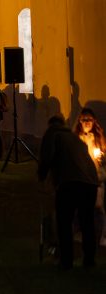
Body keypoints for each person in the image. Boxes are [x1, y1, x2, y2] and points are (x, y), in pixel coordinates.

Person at [38, 115, 99, 269]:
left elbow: (47, 157)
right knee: (87, 222)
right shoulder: (74, 137)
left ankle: (66, 260)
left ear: (51, 124)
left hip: (69, 182)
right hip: (90, 182)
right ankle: (89, 260)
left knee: (64, 221)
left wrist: (42, 175)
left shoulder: (53, 134)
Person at [74, 108, 106, 246]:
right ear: (80, 121)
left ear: (94, 122)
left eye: (89, 120)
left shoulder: (99, 138)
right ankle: (82, 235)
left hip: (97, 177)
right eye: (84, 120)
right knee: (82, 208)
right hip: (82, 178)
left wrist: (101, 158)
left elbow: (103, 157)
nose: (87, 122)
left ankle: (102, 236)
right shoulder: (76, 139)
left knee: (99, 207)